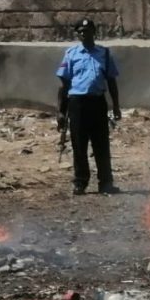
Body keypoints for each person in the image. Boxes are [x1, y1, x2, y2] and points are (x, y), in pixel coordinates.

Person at [56, 17, 122, 195]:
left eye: (88, 31)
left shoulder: (104, 54)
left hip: (98, 102)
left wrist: (116, 106)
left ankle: (106, 183)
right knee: (79, 145)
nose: (84, 34)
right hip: (77, 104)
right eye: (81, 32)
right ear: (77, 34)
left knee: (101, 144)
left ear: (95, 32)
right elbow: (64, 85)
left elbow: (112, 82)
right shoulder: (71, 54)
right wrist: (61, 112)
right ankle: (80, 182)